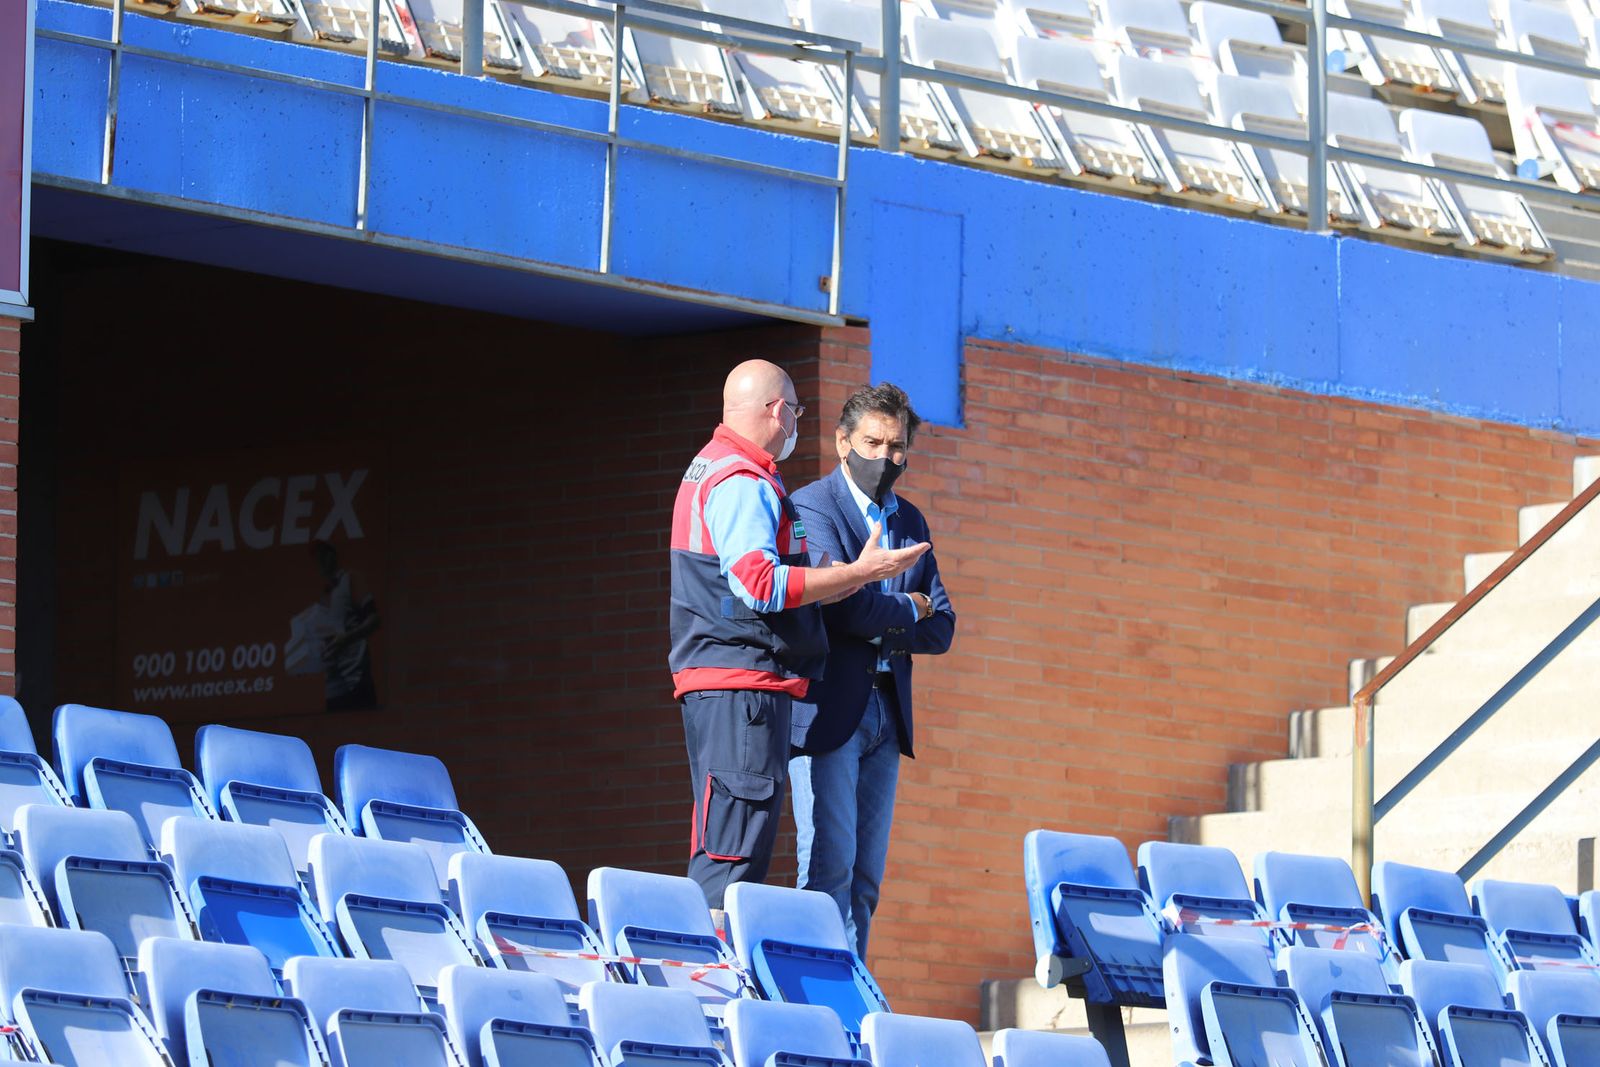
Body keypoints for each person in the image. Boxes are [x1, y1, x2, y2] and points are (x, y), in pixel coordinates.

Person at [669, 360, 930, 910]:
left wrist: (852, 585)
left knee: (734, 846)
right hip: (741, 683)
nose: (794, 425)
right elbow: (760, 584)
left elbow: (937, 624)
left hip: (734, 682)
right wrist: (861, 577)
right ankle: (710, 987)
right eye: (795, 412)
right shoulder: (740, 477)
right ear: (777, 410)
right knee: (733, 857)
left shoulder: (718, 468)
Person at [788, 383, 955, 958]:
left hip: (887, 713)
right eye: (873, 442)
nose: (885, 457)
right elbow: (844, 607)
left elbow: (945, 627)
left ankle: (855, 996)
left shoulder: (908, 518)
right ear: (842, 443)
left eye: (897, 446)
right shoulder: (814, 507)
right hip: (833, 711)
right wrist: (909, 606)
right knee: (827, 868)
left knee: (866, 879)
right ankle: (814, 999)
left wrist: (886, 611)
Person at [313, 539, 381, 712]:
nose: (321, 560)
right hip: (333, 684)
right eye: (318, 556)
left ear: (333, 556)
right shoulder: (324, 596)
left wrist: (347, 638)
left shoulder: (350, 579)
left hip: (356, 676)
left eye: (325, 554)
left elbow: (374, 620)